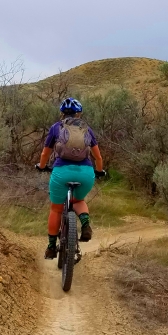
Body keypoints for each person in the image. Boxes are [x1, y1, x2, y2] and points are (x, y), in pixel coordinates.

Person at [34, 97, 106, 259]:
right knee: (78, 200)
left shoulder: (56, 128)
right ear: (78, 114)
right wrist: (100, 171)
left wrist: (41, 166)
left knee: (56, 208)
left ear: (62, 113)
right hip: (86, 173)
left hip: (61, 172)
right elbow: (98, 157)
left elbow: (45, 153)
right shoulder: (87, 130)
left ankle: (51, 247)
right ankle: (85, 224)